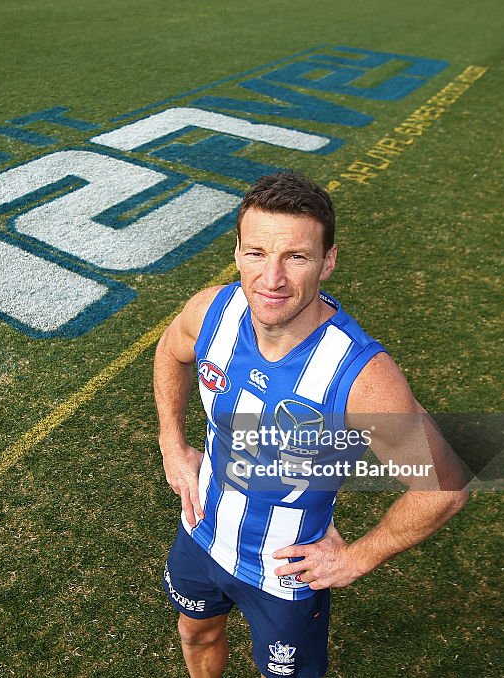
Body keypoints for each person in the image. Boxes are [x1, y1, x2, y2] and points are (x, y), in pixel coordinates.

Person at [154, 171, 468, 677]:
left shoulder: (361, 375)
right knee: (196, 631)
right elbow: (171, 351)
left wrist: (357, 558)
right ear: (237, 252)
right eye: (256, 253)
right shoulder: (211, 310)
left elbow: (444, 488)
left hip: (285, 575)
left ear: (328, 262)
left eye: (295, 257)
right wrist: (173, 441)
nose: (271, 278)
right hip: (199, 533)